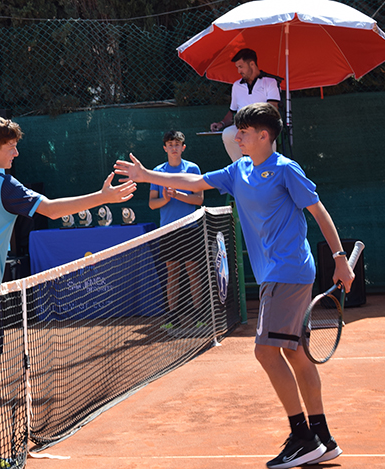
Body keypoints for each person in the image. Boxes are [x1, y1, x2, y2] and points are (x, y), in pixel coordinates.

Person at [115, 102, 354, 469]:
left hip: (287, 271)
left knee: (265, 351)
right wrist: (149, 176)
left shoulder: (285, 170)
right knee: (295, 353)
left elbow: (318, 211)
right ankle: (322, 436)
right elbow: (195, 182)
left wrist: (339, 259)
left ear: (264, 136)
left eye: (243, 131)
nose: (236, 136)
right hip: (276, 273)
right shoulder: (238, 170)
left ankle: (303, 437)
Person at [0, 114, 136, 469]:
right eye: (10, 148)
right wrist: (101, 197)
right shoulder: (4, 187)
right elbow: (52, 210)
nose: (16, 154)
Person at [148, 131, 205, 330]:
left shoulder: (193, 169)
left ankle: (199, 317)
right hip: (169, 230)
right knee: (172, 272)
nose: (174, 148)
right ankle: (173, 318)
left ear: (183, 147)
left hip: (189, 228)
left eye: (177, 144)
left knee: (193, 271)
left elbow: (199, 200)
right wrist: (165, 198)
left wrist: (178, 194)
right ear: (165, 148)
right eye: (170, 144)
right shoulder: (157, 171)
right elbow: (152, 204)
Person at [210, 48, 281, 162]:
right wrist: (221, 123)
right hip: (241, 128)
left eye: (241, 67)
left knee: (266, 140)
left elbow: (272, 109)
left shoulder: (270, 82)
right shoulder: (236, 86)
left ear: (252, 64)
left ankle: (268, 170)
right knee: (228, 133)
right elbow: (232, 111)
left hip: (261, 128)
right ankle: (240, 169)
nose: (239, 71)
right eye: (237, 67)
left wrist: (255, 123)